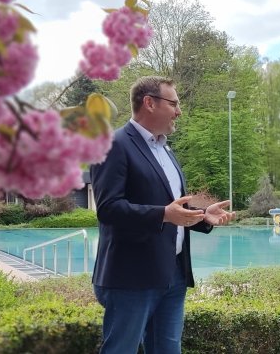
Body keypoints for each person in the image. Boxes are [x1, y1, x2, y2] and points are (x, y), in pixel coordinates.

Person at [90, 76, 235, 354]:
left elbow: (170, 208)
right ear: (149, 103)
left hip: (173, 274)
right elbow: (108, 208)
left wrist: (203, 215)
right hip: (130, 278)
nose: (179, 111)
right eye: (174, 103)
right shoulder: (113, 145)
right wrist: (164, 215)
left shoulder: (166, 149)